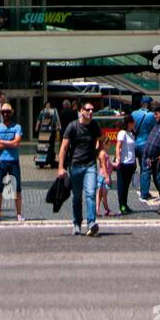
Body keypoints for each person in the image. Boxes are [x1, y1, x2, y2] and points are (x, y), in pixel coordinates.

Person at [57, 99, 102, 236]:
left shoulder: (94, 125)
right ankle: (76, 223)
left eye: (92, 110)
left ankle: (91, 223)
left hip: (90, 165)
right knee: (77, 197)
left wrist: (98, 153)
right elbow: (64, 148)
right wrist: (60, 167)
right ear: (81, 111)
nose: (90, 112)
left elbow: (102, 140)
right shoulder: (73, 126)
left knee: (90, 193)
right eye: (88, 110)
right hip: (75, 165)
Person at [0, 101, 24, 223]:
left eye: (8, 112)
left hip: (14, 161)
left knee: (17, 189)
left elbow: (16, 143)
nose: (5, 114)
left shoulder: (17, 127)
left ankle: (19, 214)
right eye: (3, 112)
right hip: (1, 162)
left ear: (12, 113)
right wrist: (10, 143)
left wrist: (2, 142)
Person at [131, 96, 157, 201]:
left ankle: (137, 188)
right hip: (146, 144)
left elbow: (132, 128)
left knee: (137, 167)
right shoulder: (151, 115)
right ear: (149, 104)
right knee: (146, 168)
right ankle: (144, 193)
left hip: (135, 143)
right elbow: (155, 129)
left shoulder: (134, 114)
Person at [113, 113, 137, 214]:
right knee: (121, 185)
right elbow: (118, 146)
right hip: (123, 162)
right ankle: (121, 206)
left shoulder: (131, 134)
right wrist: (118, 158)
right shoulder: (122, 133)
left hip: (131, 162)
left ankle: (125, 205)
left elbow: (132, 148)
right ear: (129, 123)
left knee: (126, 186)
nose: (134, 124)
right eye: (133, 123)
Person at [35, 97, 61, 168]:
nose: (48, 106)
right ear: (45, 106)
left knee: (50, 146)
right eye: (47, 105)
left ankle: (49, 160)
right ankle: (42, 160)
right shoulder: (42, 112)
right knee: (43, 147)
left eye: (49, 105)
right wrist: (37, 127)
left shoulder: (53, 111)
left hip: (51, 131)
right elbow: (39, 120)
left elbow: (56, 121)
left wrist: (58, 127)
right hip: (43, 132)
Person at [96, 138, 114, 218]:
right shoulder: (103, 153)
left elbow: (107, 163)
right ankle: (107, 209)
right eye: (109, 145)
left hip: (102, 175)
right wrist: (107, 177)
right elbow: (103, 165)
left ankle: (97, 209)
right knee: (104, 194)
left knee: (100, 193)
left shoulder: (103, 152)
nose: (109, 147)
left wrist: (114, 164)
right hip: (104, 175)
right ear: (104, 144)